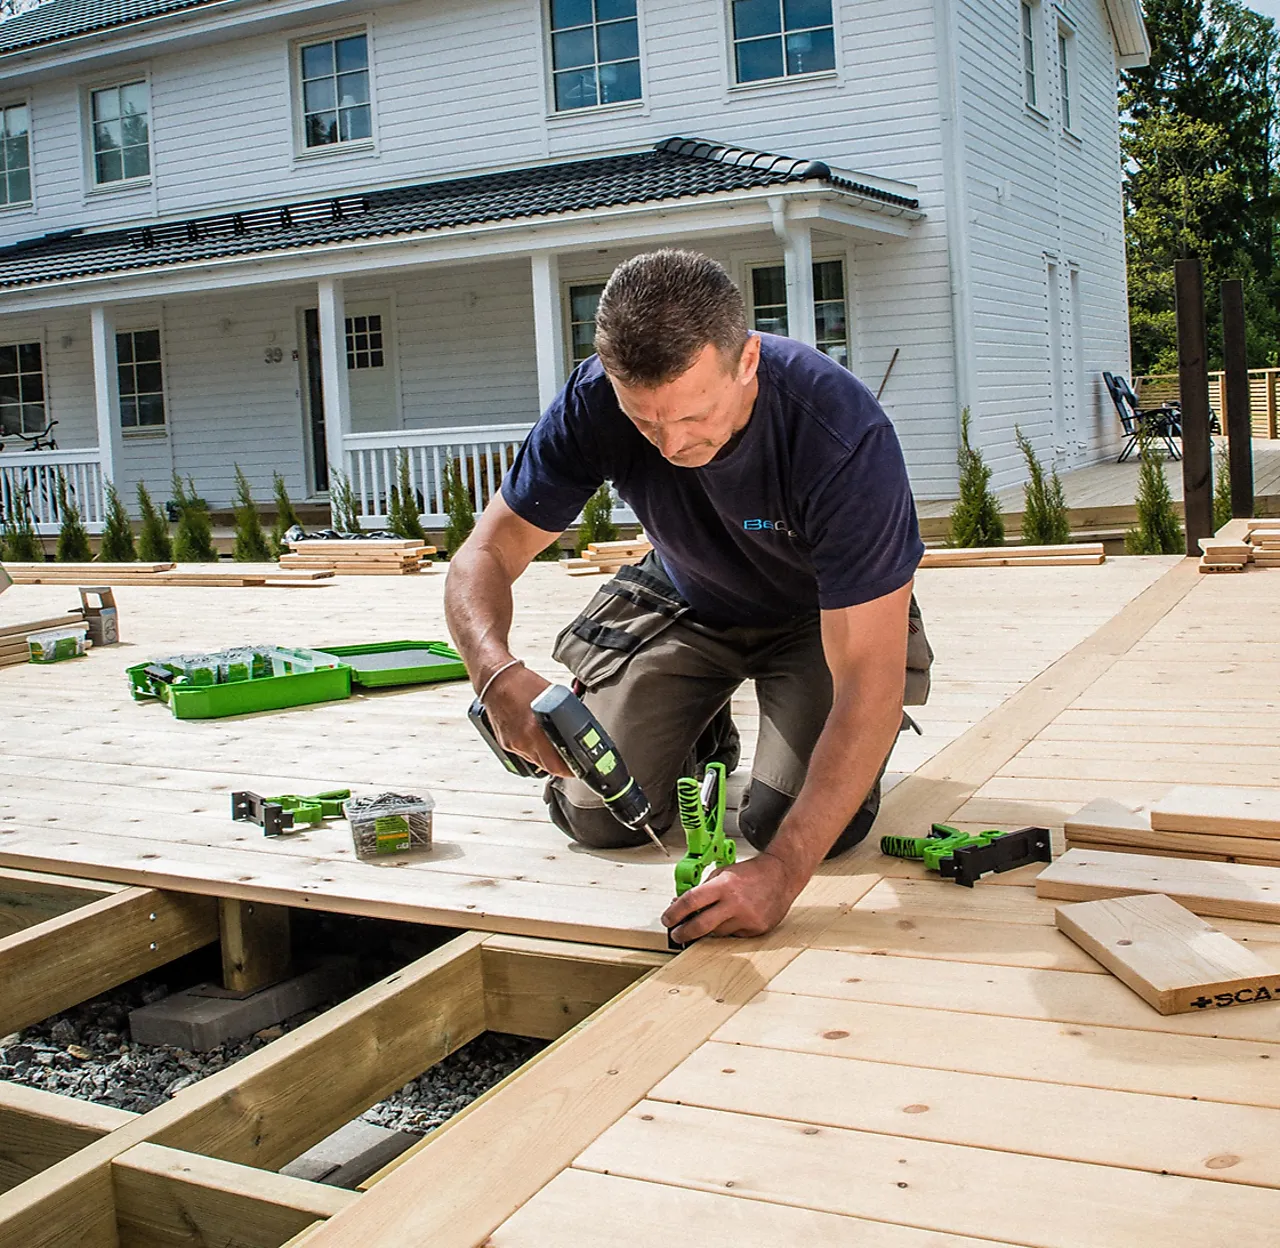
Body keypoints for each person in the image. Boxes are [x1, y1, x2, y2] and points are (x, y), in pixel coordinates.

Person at [445, 249, 929, 943]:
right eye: (646, 423)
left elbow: (869, 683)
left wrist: (784, 872)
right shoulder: (592, 404)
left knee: (792, 825)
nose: (672, 444)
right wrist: (492, 672)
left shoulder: (840, 436)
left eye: (694, 415)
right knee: (596, 814)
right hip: (689, 591)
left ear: (749, 360)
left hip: (823, 614)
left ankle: (774, 752)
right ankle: (701, 730)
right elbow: (483, 554)